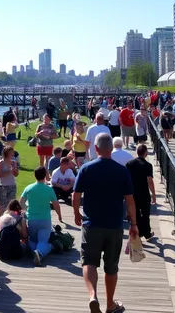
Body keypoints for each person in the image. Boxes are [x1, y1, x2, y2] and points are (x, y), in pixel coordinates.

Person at [73, 133, 138, 313]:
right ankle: (110, 304)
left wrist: (76, 213)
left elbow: (75, 195)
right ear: (111, 149)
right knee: (111, 267)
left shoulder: (86, 169)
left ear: (96, 148)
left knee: (89, 262)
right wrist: (133, 224)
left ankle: (93, 295)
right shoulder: (122, 171)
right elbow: (130, 200)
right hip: (114, 225)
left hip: (91, 224)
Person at [20, 167, 63, 266]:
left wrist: (27, 210)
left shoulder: (29, 188)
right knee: (43, 241)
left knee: (33, 240)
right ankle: (40, 252)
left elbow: (21, 202)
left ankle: (36, 251)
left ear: (35, 176)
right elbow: (56, 204)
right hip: (45, 219)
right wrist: (60, 215)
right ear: (45, 176)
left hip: (32, 219)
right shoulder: (49, 189)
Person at [126, 144, 156, 241]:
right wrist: (154, 195)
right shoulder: (147, 165)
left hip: (132, 193)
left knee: (135, 214)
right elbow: (149, 181)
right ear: (145, 153)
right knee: (145, 213)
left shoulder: (129, 164)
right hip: (143, 194)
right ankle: (147, 233)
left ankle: (137, 233)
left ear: (137, 152)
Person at [0, 146, 18, 217]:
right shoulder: (1, 162)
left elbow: (16, 174)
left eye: (13, 152)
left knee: (11, 205)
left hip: (12, 185)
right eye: (11, 153)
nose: (12, 154)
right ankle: (1, 221)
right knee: (2, 206)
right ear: (6, 153)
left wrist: (15, 170)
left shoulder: (14, 162)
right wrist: (10, 172)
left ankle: (10, 219)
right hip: (3, 186)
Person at [35, 114, 58, 180]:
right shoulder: (40, 126)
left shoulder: (52, 126)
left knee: (48, 162)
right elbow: (36, 134)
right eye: (44, 119)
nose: (46, 121)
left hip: (48, 145)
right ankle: (41, 177)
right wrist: (40, 133)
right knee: (41, 162)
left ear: (49, 120)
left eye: (47, 119)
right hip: (41, 145)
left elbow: (56, 136)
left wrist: (49, 136)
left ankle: (47, 177)